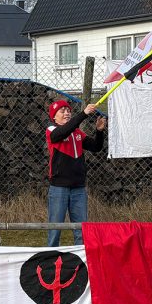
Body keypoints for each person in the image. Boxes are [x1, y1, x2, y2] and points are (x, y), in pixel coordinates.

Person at [46, 99, 106, 247]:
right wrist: (84, 113)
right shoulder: (52, 130)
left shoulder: (77, 133)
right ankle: (51, 258)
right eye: (62, 111)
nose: (66, 113)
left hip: (78, 188)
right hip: (59, 187)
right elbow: (63, 131)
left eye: (68, 110)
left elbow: (96, 147)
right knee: (55, 228)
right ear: (54, 117)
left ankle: (82, 258)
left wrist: (99, 132)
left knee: (81, 229)